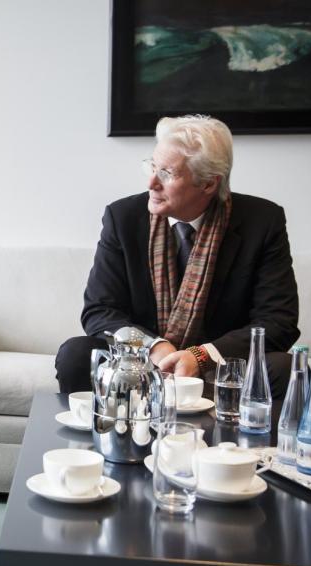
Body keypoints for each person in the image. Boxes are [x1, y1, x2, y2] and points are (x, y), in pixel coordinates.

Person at [56, 115, 298, 397]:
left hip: (222, 368)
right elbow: (100, 311)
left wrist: (200, 356)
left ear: (208, 183)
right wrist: (153, 346)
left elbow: (278, 321)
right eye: (152, 166)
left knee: (282, 367)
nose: (151, 182)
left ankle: (241, 441)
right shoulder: (124, 217)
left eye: (167, 174)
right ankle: (103, 437)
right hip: (140, 363)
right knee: (76, 354)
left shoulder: (261, 221)